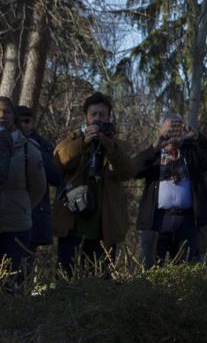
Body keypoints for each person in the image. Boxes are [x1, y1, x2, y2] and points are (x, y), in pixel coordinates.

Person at [52, 92, 134, 278]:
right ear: (85, 117)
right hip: (72, 225)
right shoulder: (73, 139)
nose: (97, 119)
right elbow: (58, 161)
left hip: (104, 227)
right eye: (93, 114)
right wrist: (83, 143)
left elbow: (128, 171)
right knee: (67, 279)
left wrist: (110, 147)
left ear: (109, 117)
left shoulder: (117, 145)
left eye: (102, 115)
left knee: (100, 282)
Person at [133, 114, 207, 266]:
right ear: (161, 131)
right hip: (157, 220)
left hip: (187, 220)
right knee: (151, 267)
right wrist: (155, 146)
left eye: (177, 131)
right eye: (169, 131)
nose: (172, 136)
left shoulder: (192, 153)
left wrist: (197, 137)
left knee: (187, 267)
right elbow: (133, 170)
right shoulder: (154, 155)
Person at [0, 97, 44, 292]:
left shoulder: (28, 149)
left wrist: (22, 208)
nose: (2, 115)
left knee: (13, 284)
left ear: (14, 117)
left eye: (7, 111)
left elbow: (39, 188)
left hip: (17, 227)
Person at [16, 105, 61, 257]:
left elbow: (56, 176)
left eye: (27, 121)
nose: (23, 125)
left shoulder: (43, 145)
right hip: (9, 215)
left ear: (33, 122)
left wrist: (33, 149)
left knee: (25, 266)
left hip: (35, 215)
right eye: (19, 122)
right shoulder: (6, 143)